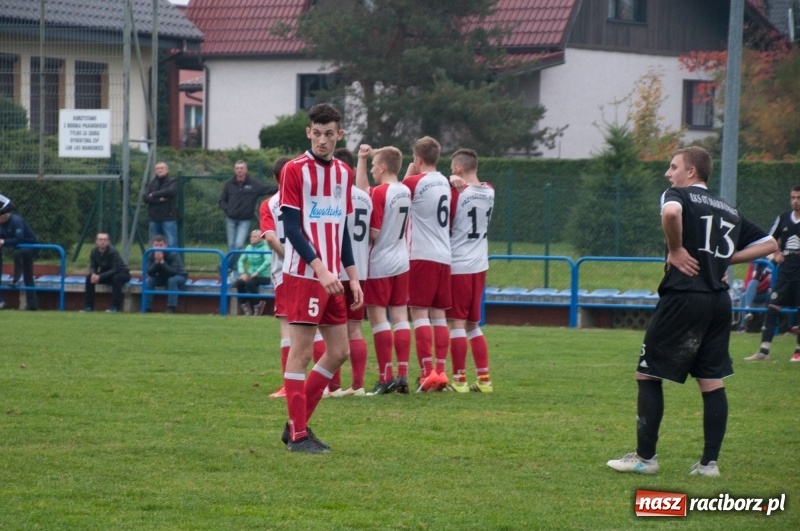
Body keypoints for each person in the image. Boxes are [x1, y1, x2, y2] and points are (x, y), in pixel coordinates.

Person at [607, 146, 777, 478]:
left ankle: (645, 458)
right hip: (719, 301)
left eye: (673, 167)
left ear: (691, 172)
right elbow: (771, 245)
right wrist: (724, 260)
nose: (668, 173)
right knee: (711, 381)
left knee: (648, 373)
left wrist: (676, 249)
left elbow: (670, 215)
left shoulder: (677, 195)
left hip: (685, 295)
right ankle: (708, 464)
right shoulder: (728, 208)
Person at [278, 103, 362, 454]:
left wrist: (352, 277)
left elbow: (342, 230)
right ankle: (299, 437)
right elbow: (293, 228)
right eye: (318, 132)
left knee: (339, 351)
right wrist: (320, 268)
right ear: (308, 132)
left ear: (339, 134)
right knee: (300, 353)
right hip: (304, 274)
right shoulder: (294, 170)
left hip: (332, 277)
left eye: (330, 134)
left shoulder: (344, 172)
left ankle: (295, 426)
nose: (323, 139)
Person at [355, 144, 412, 395]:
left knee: (379, 320)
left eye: (374, 166)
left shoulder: (380, 193)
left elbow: (374, 233)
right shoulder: (405, 190)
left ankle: (384, 376)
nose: (373, 171)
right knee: (400, 318)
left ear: (382, 167)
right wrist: (363, 160)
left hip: (380, 262)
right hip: (402, 260)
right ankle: (403, 374)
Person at [403, 136, 452, 392]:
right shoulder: (445, 181)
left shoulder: (415, 182)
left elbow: (394, 195)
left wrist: (410, 170)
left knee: (419, 313)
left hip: (421, 255)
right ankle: (442, 372)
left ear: (418, 159)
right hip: (445, 255)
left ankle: (426, 373)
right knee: (439, 314)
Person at [445, 149, 495, 393]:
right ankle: (484, 379)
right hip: (480, 264)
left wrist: (449, 184)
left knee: (456, 323)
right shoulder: (490, 190)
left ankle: (460, 379)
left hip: (459, 264)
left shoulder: (457, 195)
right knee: (473, 324)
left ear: (458, 170)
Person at [328, 147, 371, 397]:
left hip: (335, 270)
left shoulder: (332, 196)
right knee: (355, 329)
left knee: (329, 329)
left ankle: (333, 386)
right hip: (360, 272)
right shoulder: (366, 196)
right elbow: (373, 234)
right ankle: (358, 385)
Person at [746, 186, 800, 362]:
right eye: (793, 197)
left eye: (798, 197)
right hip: (785, 273)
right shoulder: (783, 218)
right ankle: (763, 351)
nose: (795, 201)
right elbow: (769, 240)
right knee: (772, 308)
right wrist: (776, 253)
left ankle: (798, 352)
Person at [260, 156, 293, 399]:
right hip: (311, 269)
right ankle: (327, 386)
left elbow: (271, 238)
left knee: (287, 328)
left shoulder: (269, 204)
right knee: (316, 329)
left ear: (274, 178)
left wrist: (287, 257)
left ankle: (288, 386)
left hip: (284, 272)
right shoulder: (307, 199)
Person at [218, 160, 277, 256]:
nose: (239, 170)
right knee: (231, 246)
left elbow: (267, 189)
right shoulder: (229, 184)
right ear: (234, 170)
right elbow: (222, 200)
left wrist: (282, 186)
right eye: (237, 168)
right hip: (231, 219)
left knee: (238, 245)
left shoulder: (254, 184)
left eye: (241, 168)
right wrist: (228, 210)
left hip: (245, 220)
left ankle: (223, 266)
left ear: (246, 170)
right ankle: (234, 270)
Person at [0, 210, 39, 311]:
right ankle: (32, 305)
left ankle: (16, 279)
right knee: (28, 275)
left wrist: (4, 242)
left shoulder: (16, 221)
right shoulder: (2, 224)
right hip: (19, 248)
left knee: (18, 254)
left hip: (30, 246)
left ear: (3, 216)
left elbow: (19, 239)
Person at [84, 233, 131, 313]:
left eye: (105, 240)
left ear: (108, 242)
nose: (102, 242)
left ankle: (115, 307)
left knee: (116, 278)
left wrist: (100, 276)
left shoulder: (113, 251)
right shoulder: (94, 252)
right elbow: (93, 266)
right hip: (106, 274)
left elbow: (116, 269)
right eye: (100, 239)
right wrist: (93, 274)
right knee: (89, 278)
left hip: (122, 273)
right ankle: (88, 307)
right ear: (96, 241)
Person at [144, 235, 188, 313]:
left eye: (161, 245)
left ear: (166, 245)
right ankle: (147, 308)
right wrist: (156, 262)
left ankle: (171, 308)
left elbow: (172, 272)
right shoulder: (150, 254)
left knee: (172, 280)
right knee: (150, 281)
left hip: (179, 276)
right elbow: (150, 272)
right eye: (156, 245)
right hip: (163, 277)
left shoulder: (173, 254)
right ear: (153, 245)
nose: (158, 248)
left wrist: (162, 262)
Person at [234, 229, 272, 316]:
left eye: (255, 237)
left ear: (261, 238)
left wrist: (258, 272)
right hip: (251, 275)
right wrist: (242, 273)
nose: (252, 238)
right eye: (251, 236)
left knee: (250, 282)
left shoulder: (265, 247)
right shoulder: (249, 247)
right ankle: (245, 306)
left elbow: (268, 260)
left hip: (264, 276)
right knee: (239, 283)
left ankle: (258, 305)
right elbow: (241, 261)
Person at [143, 161, 179, 248]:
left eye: (162, 168)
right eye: (157, 168)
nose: (159, 170)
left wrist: (153, 194)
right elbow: (145, 198)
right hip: (154, 218)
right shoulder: (152, 183)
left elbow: (170, 191)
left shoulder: (173, 181)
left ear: (167, 170)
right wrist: (159, 199)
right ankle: (157, 261)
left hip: (168, 217)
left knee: (171, 242)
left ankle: (174, 261)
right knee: (155, 243)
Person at [735, 260, 771, 332]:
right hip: (753, 292)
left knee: (769, 293)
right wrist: (754, 288)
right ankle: (743, 326)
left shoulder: (771, 265)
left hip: (764, 294)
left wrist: (755, 288)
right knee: (745, 294)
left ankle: (765, 325)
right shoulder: (753, 264)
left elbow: (769, 285)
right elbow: (747, 283)